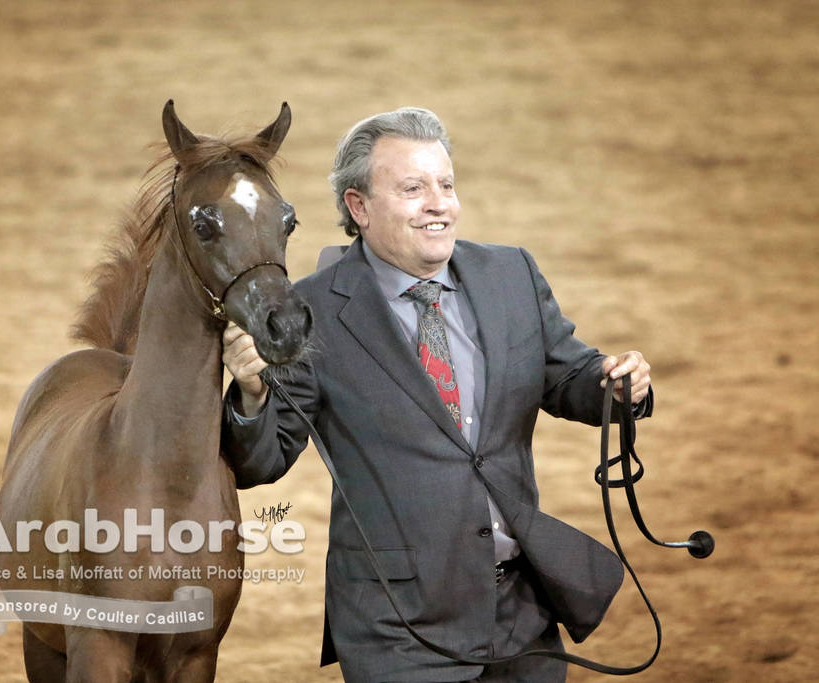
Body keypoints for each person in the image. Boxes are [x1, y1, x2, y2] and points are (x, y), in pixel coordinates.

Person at [221, 107, 652, 682]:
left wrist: (616, 384)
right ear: (359, 207)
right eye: (413, 188)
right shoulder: (311, 311)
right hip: (399, 625)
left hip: (521, 612)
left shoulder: (511, 274)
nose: (439, 203)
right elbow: (264, 458)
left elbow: (570, 380)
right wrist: (250, 394)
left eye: (446, 185)